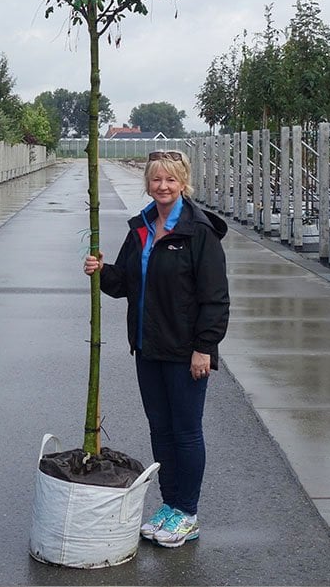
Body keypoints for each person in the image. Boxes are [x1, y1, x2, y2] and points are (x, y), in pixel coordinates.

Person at [83, 150, 229, 548]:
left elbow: (215, 298)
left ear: (183, 183)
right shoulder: (143, 227)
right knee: (160, 431)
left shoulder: (199, 232)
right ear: (148, 184)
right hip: (148, 348)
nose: (162, 187)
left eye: (170, 180)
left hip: (185, 352)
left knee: (185, 432)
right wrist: (101, 271)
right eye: (156, 180)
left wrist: (205, 348)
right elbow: (126, 282)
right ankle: (170, 504)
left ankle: (189, 513)